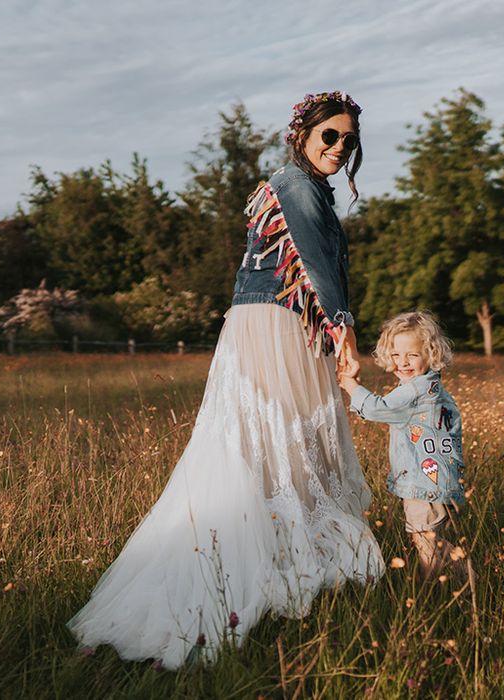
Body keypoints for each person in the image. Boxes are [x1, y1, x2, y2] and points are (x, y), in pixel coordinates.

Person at [67, 91, 384, 670]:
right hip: (275, 327)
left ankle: (285, 564)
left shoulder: (308, 188)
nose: (340, 147)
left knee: (286, 452)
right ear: (302, 136)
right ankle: (236, 576)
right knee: (276, 448)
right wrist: (348, 338)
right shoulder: (293, 185)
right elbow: (313, 264)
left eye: (349, 140)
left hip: (285, 324)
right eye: (329, 136)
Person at [337, 311, 467, 580]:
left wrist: (350, 385)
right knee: (429, 539)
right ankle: (462, 577)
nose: (403, 363)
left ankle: (432, 591)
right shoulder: (431, 387)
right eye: (396, 355)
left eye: (412, 355)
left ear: (430, 354)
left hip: (424, 484)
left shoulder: (416, 391)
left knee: (424, 543)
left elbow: (377, 409)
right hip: (438, 481)